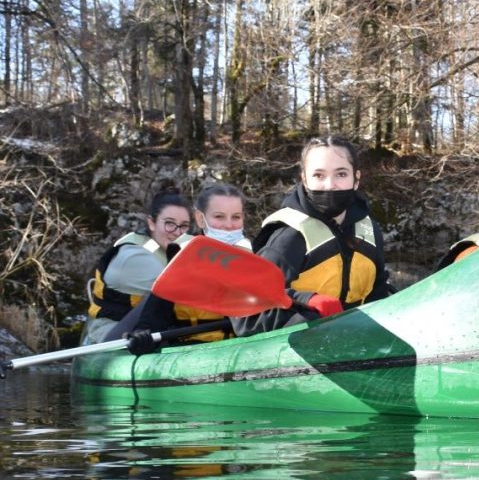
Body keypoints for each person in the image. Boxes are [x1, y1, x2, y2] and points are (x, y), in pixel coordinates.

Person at [231, 135, 394, 337]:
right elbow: (245, 316)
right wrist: (306, 303)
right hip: (299, 350)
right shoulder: (289, 235)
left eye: (341, 174)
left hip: (356, 342)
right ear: (304, 179)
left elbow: (377, 293)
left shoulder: (369, 230)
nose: (329, 185)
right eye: (319, 175)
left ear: (356, 179)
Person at [104, 183, 251, 350]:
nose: (229, 225)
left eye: (236, 217)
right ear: (201, 219)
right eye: (219, 217)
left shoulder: (255, 262)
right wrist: (142, 336)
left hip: (237, 348)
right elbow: (152, 318)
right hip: (190, 351)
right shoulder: (181, 264)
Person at [82, 188, 192, 345]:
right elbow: (185, 291)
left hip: (146, 330)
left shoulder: (161, 246)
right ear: (151, 223)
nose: (177, 232)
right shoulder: (135, 257)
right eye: (169, 223)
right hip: (110, 336)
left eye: (184, 226)